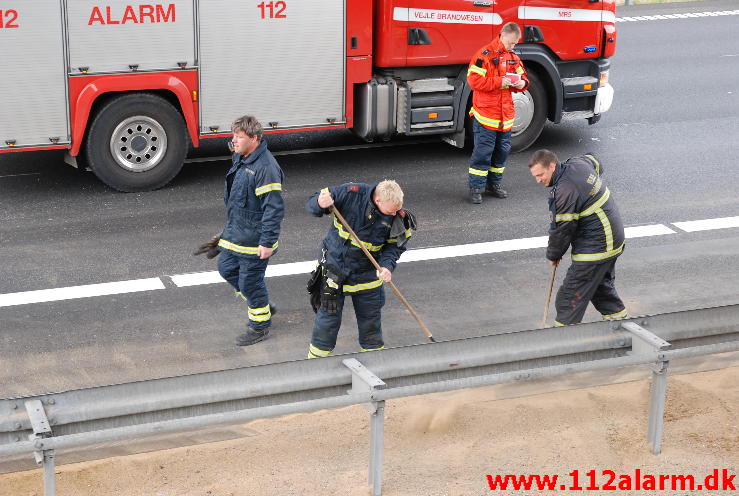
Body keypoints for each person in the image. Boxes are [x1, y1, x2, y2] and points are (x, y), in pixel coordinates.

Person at [196, 115, 285, 346]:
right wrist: (223, 238)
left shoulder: (266, 169)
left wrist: (267, 242)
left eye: (239, 136)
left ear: (254, 139)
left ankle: (259, 326)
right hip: (238, 234)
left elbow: (273, 210)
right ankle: (262, 304)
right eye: (233, 135)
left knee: (249, 283)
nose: (233, 140)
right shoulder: (242, 156)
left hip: (256, 241)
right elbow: (239, 205)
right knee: (226, 268)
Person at [305, 180, 415, 358]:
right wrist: (319, 202)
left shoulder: (398, 217)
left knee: (370, 324)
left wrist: (387, 267)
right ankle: (316, 365)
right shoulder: (350, 193)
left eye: (397, 209)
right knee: (327, 322)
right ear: (378, 200)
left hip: (368, 274)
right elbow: (312, 204)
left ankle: (374, 362)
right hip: (335, 269)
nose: (394, 214)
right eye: (390, 211)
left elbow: (395, 247)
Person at [528, 149, 628, 326]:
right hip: (613, 236)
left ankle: (563, 341)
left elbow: (562, 230)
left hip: (598, 246)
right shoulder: (578, 164)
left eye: (540, 175)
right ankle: (621, 325)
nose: (538, 180)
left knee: (568, 298)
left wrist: (553, 255)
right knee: (599, 287)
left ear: (552, 166)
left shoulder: (565, 191)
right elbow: (595, 160)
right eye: (535, 176)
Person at [467, 22, 529, 204]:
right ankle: (476, 188)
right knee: (483, 153)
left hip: (505, 117)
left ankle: (494, 185)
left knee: (501, 153)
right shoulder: (483, 55)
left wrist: (521, 84)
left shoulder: (513, 57)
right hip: (486, 116)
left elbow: (524, 78)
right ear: (502, 35)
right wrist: (500, 81)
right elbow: (475, 82)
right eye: (511, 43)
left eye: (515, 44)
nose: (512, 46)